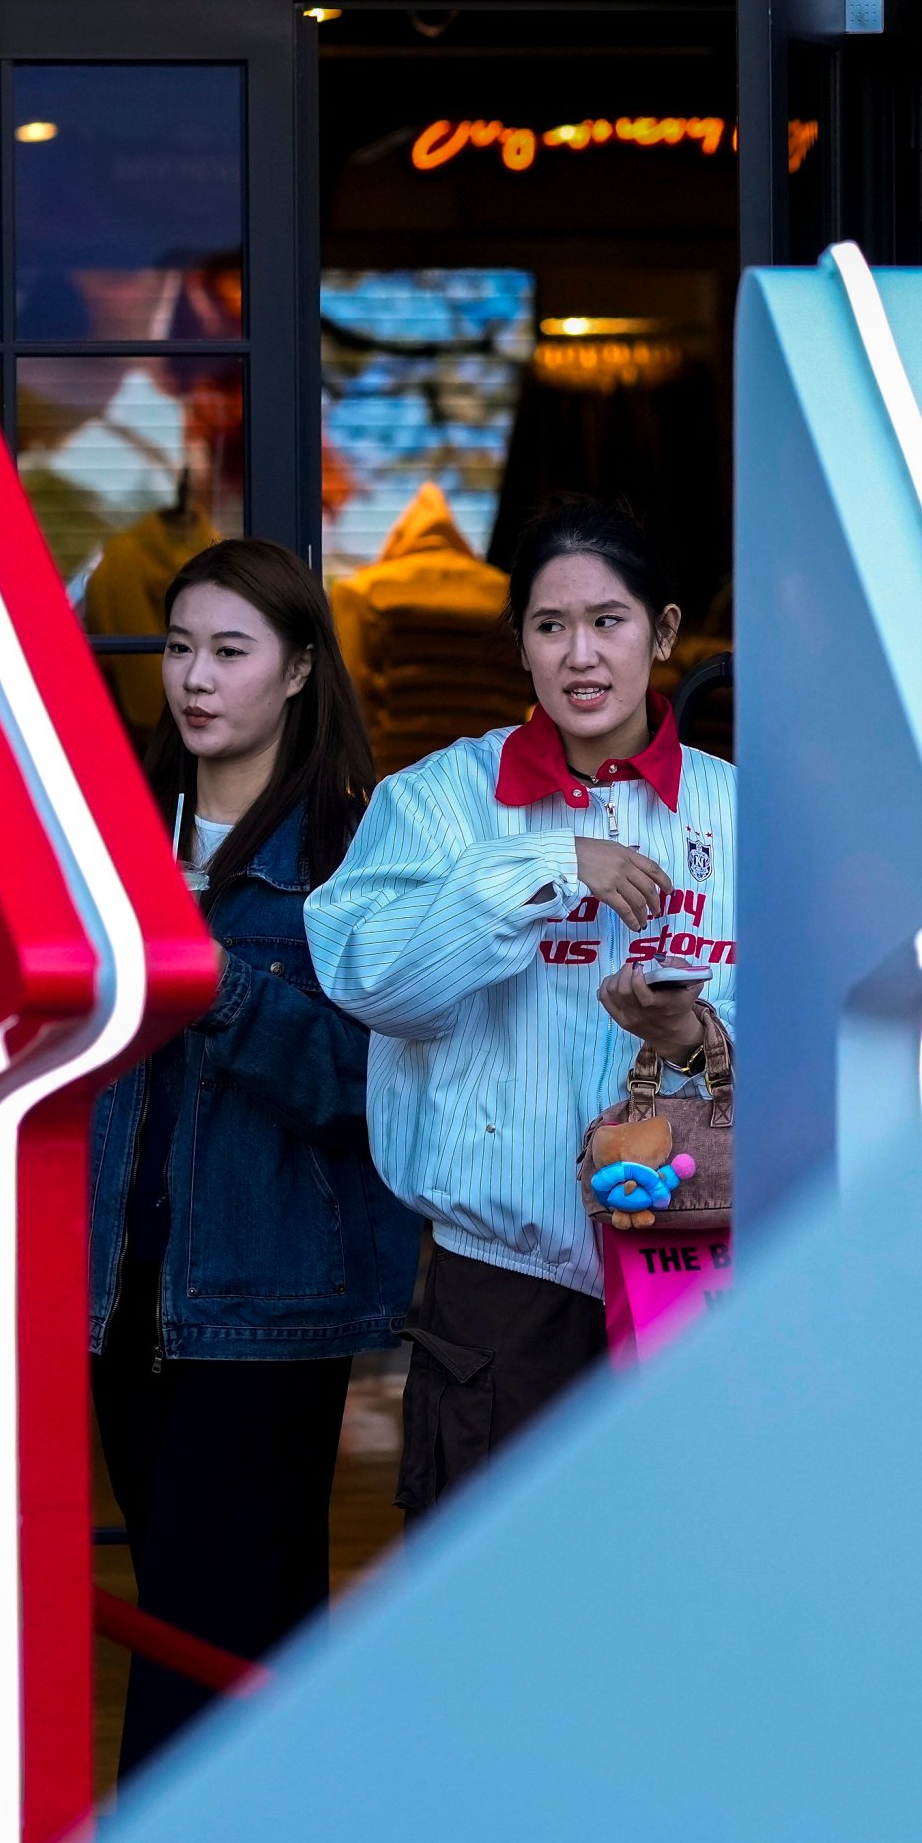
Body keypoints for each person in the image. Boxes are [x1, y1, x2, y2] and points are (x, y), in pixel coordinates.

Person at [308, 499, 738, 1517]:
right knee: (490, 1640)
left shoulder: (740, 813)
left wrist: (692, 1034)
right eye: (551, 627)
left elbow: (814, 1038)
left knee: (672, 1598)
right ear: (521, 647)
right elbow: (370, 979)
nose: (580, 655)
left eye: (610, 621)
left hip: (698, 1276)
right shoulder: (437, 801)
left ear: (664, 633)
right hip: (501, 1293)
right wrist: (548, 863)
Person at [88, 538, 416, 1778]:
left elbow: (365, 1087)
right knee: (232, 1615)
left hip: (275, 1299)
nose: (196, 678)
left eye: (231, 651)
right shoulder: (112, 828)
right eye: (180, 647)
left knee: (202, 1624)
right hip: (122, 1292)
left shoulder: (350, 854)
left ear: (296, 673)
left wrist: (219, 982)